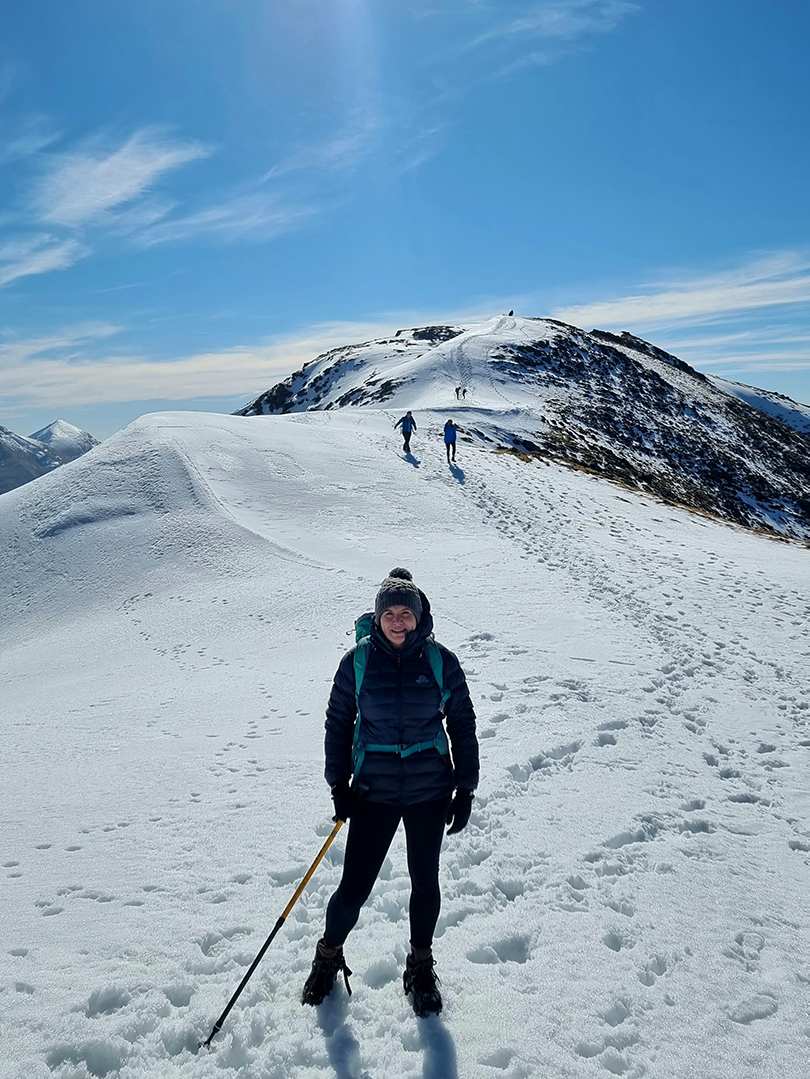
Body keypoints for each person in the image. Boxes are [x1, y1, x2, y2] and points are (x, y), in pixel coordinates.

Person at [302, 568, 479, 1017]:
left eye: (406, 613)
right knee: (354, 887)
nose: (398, 621)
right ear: (377, 618)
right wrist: (337, 783)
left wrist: (466, 787)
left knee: (426, 883)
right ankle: (328, 956)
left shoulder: (441, 661)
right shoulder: (356, 663)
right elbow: (338, 724)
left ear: (419, 617)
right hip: (374, 790)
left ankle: (420, 966)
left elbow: (462, 723)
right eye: (389, 614)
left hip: (428, 789)